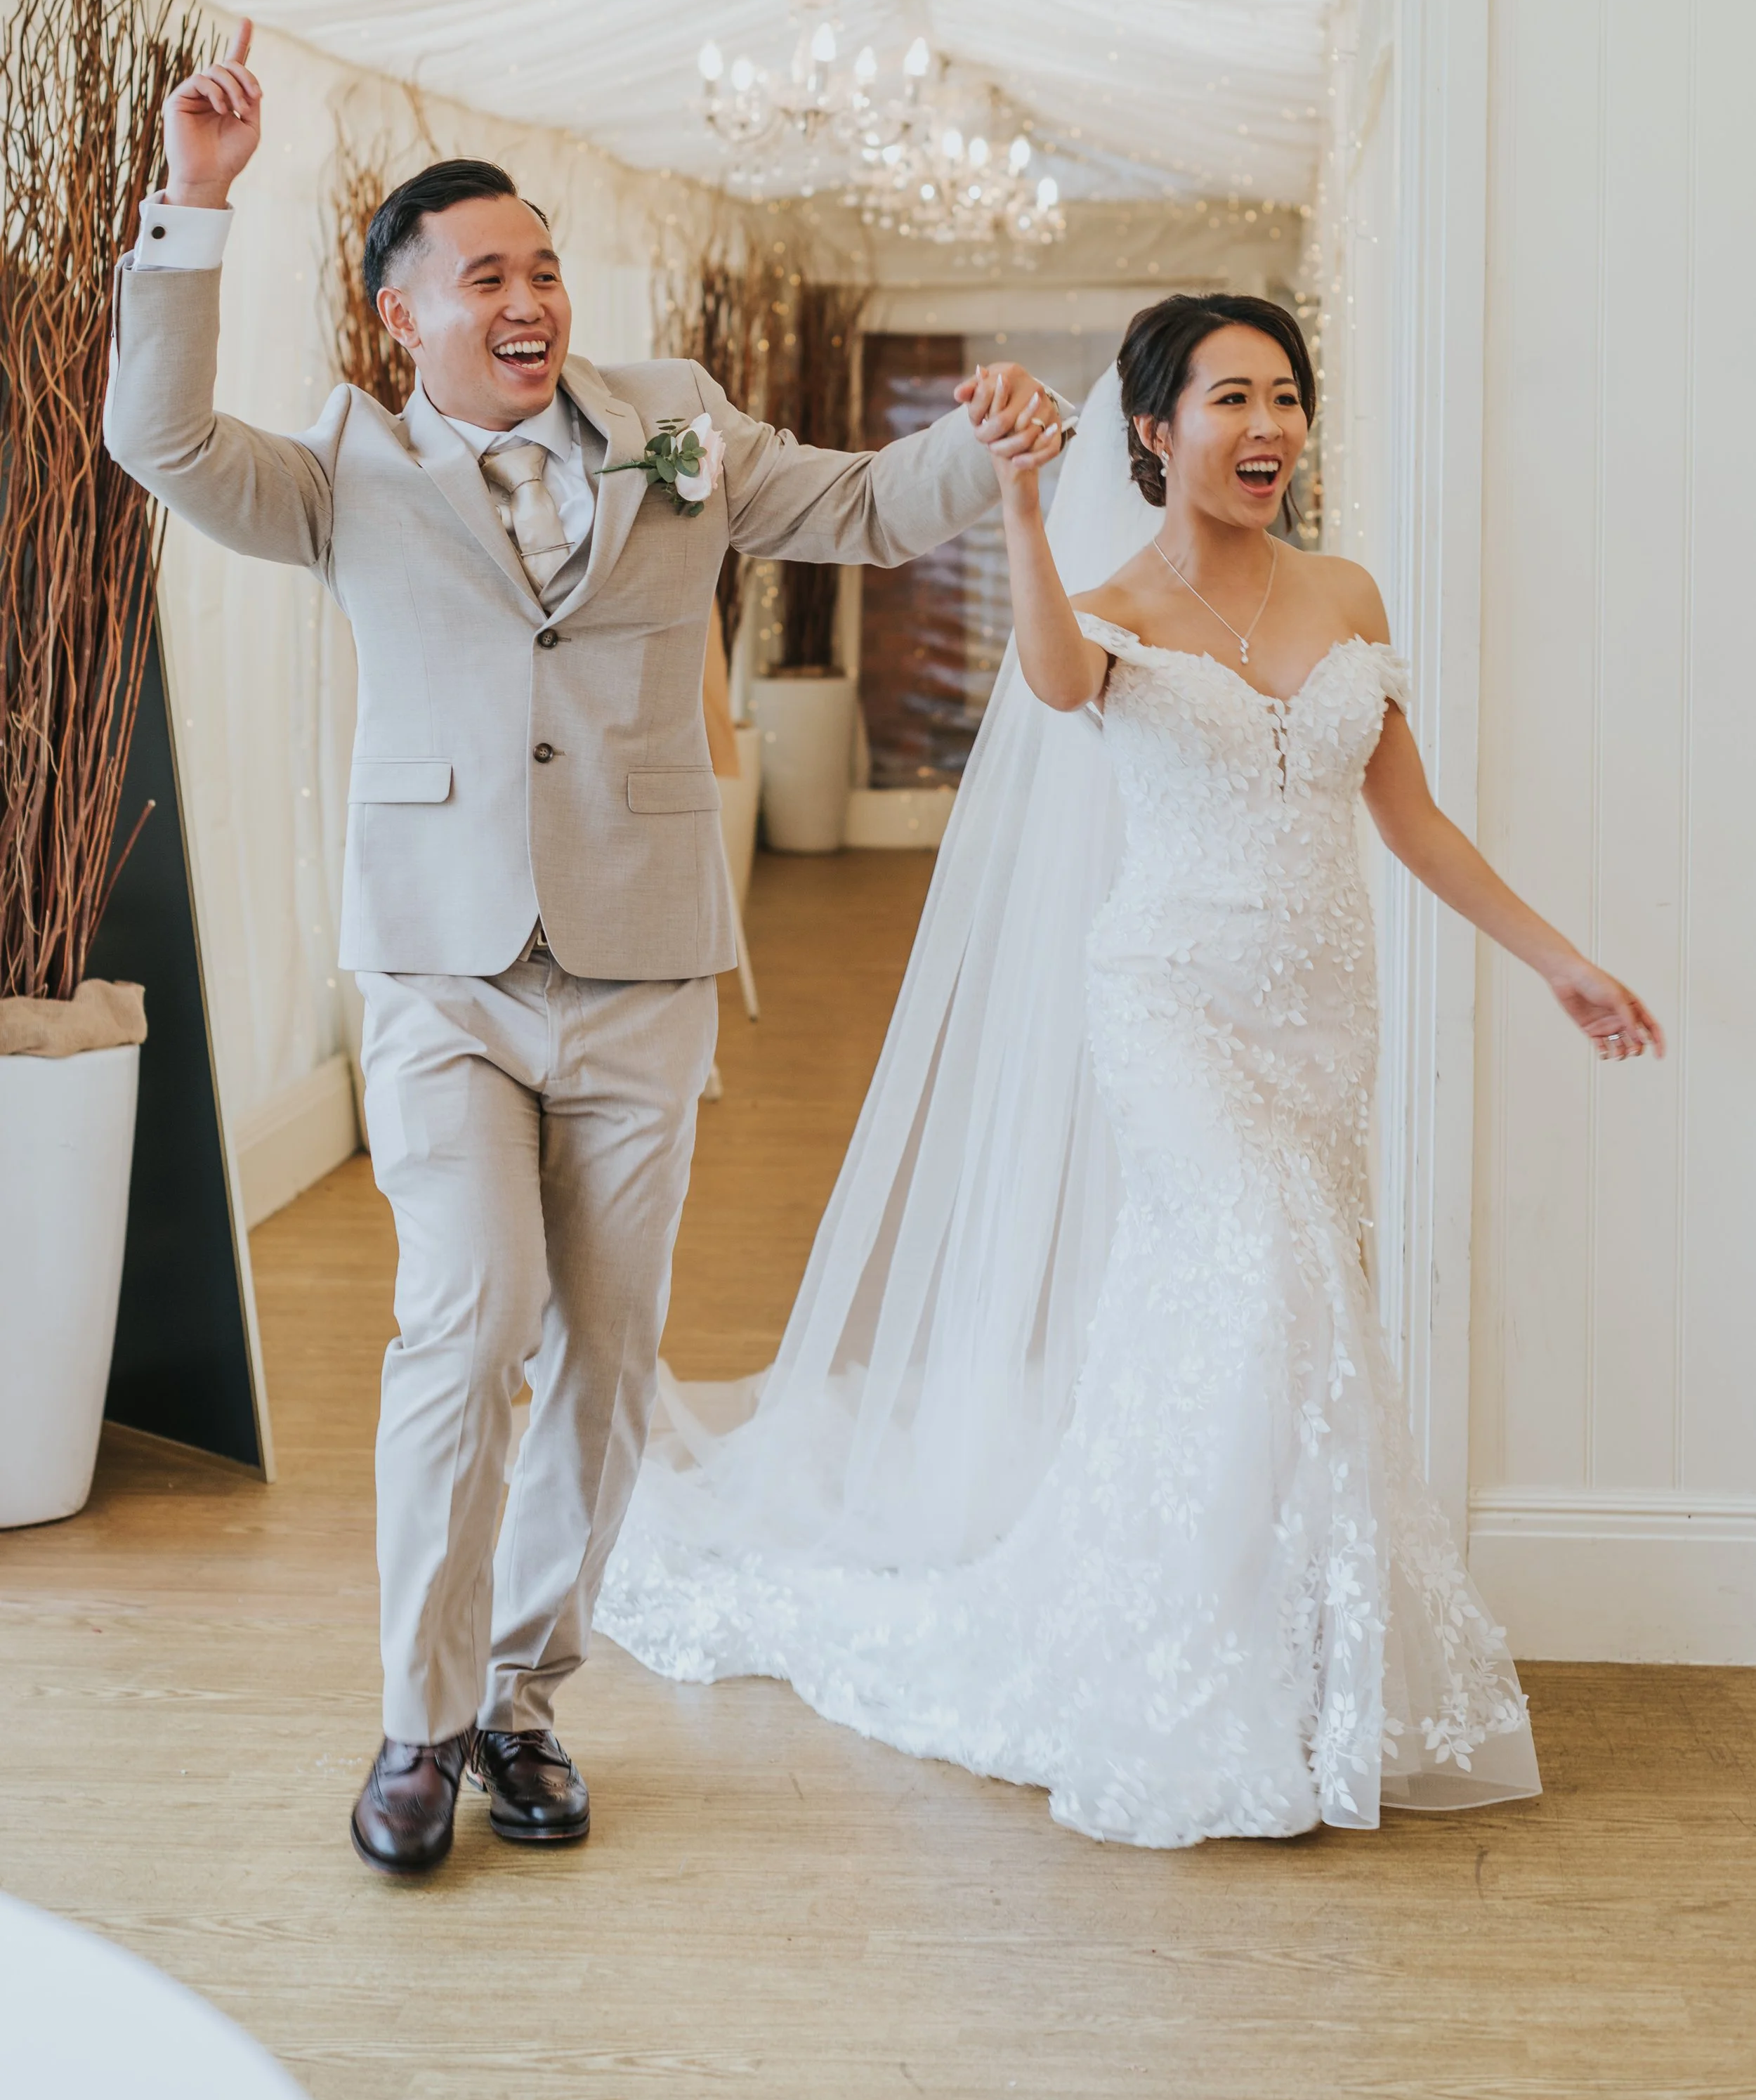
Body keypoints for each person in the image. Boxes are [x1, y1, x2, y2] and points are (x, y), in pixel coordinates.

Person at [103, 22, 1056, 1876]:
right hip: (442, 973)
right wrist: (192, 207)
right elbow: (156, 437)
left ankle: (525, 1698)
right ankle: (416, 1716)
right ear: (404, 319)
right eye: (490, 276)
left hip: (639, 963)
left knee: (610, 1358)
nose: (531, 298)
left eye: (546, 268)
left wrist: (979, 451)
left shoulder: (675, 421)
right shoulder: (338, 468)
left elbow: (854, 510)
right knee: (465, 1325)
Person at [599, 296, 1661, 1848]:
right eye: (1230, 398)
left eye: (1285, 396)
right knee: (1258, 1274)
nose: (1268, 428)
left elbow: (1408, 821)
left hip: (1318, 1014)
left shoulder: (1345, 590)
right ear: (1152, 434)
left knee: (1274, 1326)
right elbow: (1047, 682)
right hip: (1167, 1000)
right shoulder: (1103, 603)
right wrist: (1020, 503)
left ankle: (1285, 1657)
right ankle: (1178, 1679)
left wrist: (1555, 957)